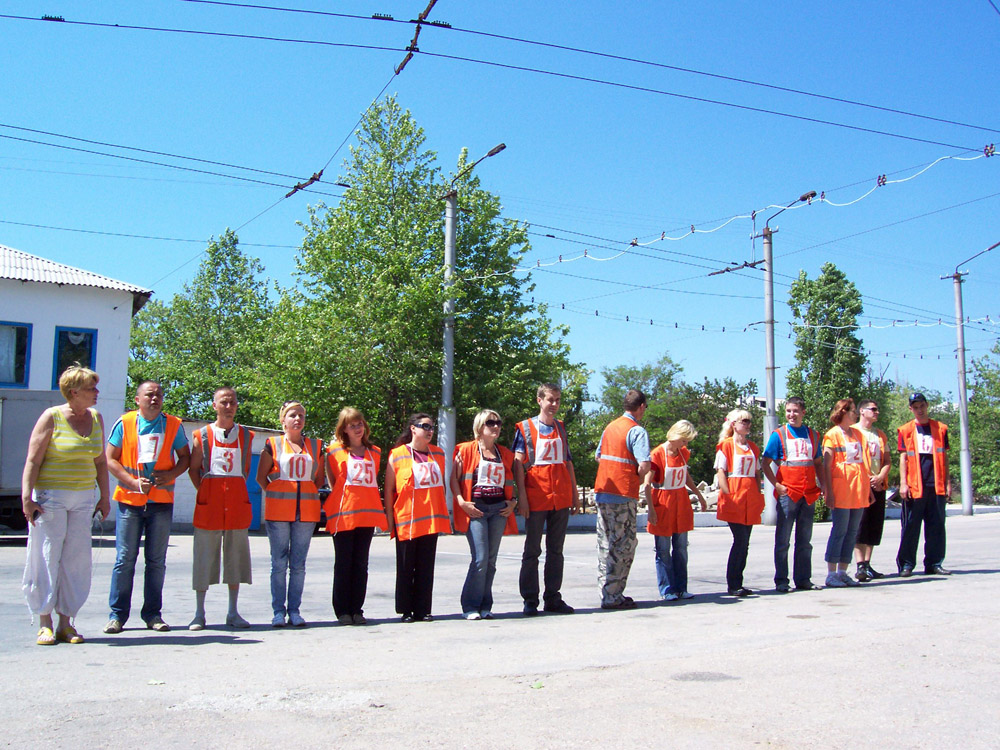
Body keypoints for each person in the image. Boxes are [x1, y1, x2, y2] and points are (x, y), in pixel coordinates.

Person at [21, 366, 110, 645]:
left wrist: (105, 497)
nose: (96, 393)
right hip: (51, 497)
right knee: (48, 556)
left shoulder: (96, 418)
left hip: (83, 497)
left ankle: (66, 622)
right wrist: (27, 497)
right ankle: (44, 621)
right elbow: (33, 460)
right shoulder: (52, 417)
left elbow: (100, 461)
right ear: (74, 392)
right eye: (91, 388)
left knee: (76, 560)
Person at [105, 380, 190, 634]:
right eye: (150, 395)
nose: (155, 399)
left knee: (156, 561)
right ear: (137, 399)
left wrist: (171, 474)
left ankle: (153, 615)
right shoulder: (125, 423)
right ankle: (117, 616)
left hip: (160, 503)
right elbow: (109, 458)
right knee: (124, 559)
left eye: (159, 395)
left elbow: (185, 457)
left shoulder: (173, 425)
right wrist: (131, 481)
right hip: (130, 502)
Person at [186, 387, 254, 630]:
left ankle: (233, 612)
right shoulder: (202, 435)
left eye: (233, 402)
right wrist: (205, 491)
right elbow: (194, 469)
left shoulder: (247, 436)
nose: (229, 406)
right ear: (214, 405)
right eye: (224, 402)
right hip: (209, 508)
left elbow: (244, 470)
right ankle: (199, 613)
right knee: (203, 558)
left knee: (236, 559)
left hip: (236, 507)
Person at [512, 383, 580, 616]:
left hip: (559, 497)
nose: (554, 404)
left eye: (558, 400)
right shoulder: (525, 428)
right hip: (536, 496)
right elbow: (517, 465)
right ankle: (530, 599)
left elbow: (567, 462)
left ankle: (553, 597)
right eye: (550, 399)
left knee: (556, 550)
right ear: (539, 400)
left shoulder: (561, 428)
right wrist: (522, 496)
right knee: (532, 550)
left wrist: (574, 493)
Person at [256, 401, 324, 627]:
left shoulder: (315, 446)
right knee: (278, 563)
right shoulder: (272, 444)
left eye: (301, 415)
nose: (298, 419)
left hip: (306, 514)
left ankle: (294, 610)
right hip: (278, 514)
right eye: (293, 415)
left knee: (298, 565)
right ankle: (278, 611)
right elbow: (261, 477)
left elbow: (318, 479)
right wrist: (276, 494)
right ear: (283, 420)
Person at [451, 409, 520, 620]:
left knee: (491, 561)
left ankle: (485, 605)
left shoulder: (505, 454)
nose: (496, 426)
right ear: (480, 427)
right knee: (480, 559)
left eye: (498, 422)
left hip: (498, 510)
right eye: (491, 423)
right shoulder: (465, 450)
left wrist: (513, 502)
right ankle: (470, 606)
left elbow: (514, 481)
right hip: (476, 510)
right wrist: (462, 503)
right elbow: (453, 479)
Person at [384, 413, 451, 622]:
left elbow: (441, 486)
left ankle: (423, 609)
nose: (429, 431)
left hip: (430, 520)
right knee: (405, 566)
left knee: (426, 566)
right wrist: (388, 518)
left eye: (432, 427)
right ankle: (405, 610)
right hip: (407, 519)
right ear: (413, 429)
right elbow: (389, 490)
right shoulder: (397, 454)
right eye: (425, 426)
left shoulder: (438, 454)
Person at [325, 407, 386, 626]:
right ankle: (342, 611)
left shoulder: (375, 452)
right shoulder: (333, 451)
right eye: (352, 425)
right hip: (343, 516)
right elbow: (333, 483)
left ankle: (357, 609)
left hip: (367, 516)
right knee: (343, 564)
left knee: (361, 564)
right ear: (344, 429)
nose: (358, 428)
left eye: (360, 423)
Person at [593, 389, 651, 610]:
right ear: (642, 406)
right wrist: (634, 477)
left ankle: (605, 591)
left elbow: (599, 456)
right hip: (623, 494)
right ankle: (613, 596)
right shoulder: (636, 431)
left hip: (603, 490)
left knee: (605, 543)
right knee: (623, 545)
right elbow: (644, 464)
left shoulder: (610, 427)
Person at [761, 396, 824, 593]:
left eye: (795, 411)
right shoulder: (778, 435)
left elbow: (818, 463)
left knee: (805, 541)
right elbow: (765, 462)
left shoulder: (813, 435)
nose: (791, 415)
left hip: (809, 494)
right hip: (788, 494)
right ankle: (781, 580)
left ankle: (803, 579)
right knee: (783, 541)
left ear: (803, 412)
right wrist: (776, 485)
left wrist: (823, 487)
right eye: (788, 411)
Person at [643, 419, 707, 602]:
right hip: (663, 502)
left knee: (680, 548)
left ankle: (681, 587)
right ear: (676, 436)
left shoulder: (683, 453)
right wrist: (651, 509)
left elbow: (686, 477)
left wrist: (699, 496)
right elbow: (647, 484)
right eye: (684, 440)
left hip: (680, 502)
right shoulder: (657, 454)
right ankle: (667, 589)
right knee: (663, 550)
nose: (686, 445)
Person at [715, 409, 775, 597]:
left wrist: (758, 493)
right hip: (735, 497)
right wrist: (728, 494)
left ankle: (738, 582)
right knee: (740, 540)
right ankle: (733, 584)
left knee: (745, 542)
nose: (748, 424)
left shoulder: (753, 447)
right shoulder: (725, 446)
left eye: (749, 421)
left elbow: (757, 473)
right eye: (744, 421)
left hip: (750, 498)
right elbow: (721, 472)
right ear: (734, 424)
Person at [896, 392, 952, 577]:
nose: (919, 410)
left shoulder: (941, 428)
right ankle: (906, 564)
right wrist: (903, 483)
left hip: (936, 484)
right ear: (910, 409)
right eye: (915, 407)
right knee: (911, 526)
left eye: (922, 406)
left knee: (936, 526)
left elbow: (945, 457)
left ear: (927, 406)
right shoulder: (905, 430)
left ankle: (934, 563)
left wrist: (948, 483)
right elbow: (903, 458)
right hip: (914, 486)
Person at [822, 399, 875, 588]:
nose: (855, 414)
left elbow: (864, 464)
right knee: (840, 530)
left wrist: (868, 490)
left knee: (852, 532)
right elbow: (826, 466)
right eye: (852, 411)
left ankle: (843, 571)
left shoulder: (859, 435)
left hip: (858, 489)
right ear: (843, 412)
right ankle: (831, 573)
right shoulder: (832, 435)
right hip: (841, 490)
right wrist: (828, 491)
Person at [853, 399, 890, 581]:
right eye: (873, 409)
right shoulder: (853, 432)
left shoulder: (880, 435)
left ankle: (868, 564)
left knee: (874, 525)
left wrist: (881, 477)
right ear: (862, 411)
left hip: (878, 485)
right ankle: (860, 565)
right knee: (861, 525)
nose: (876, 412)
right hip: (860, 485)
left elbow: (887, 461)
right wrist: (865, 478)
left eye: (877, 409)